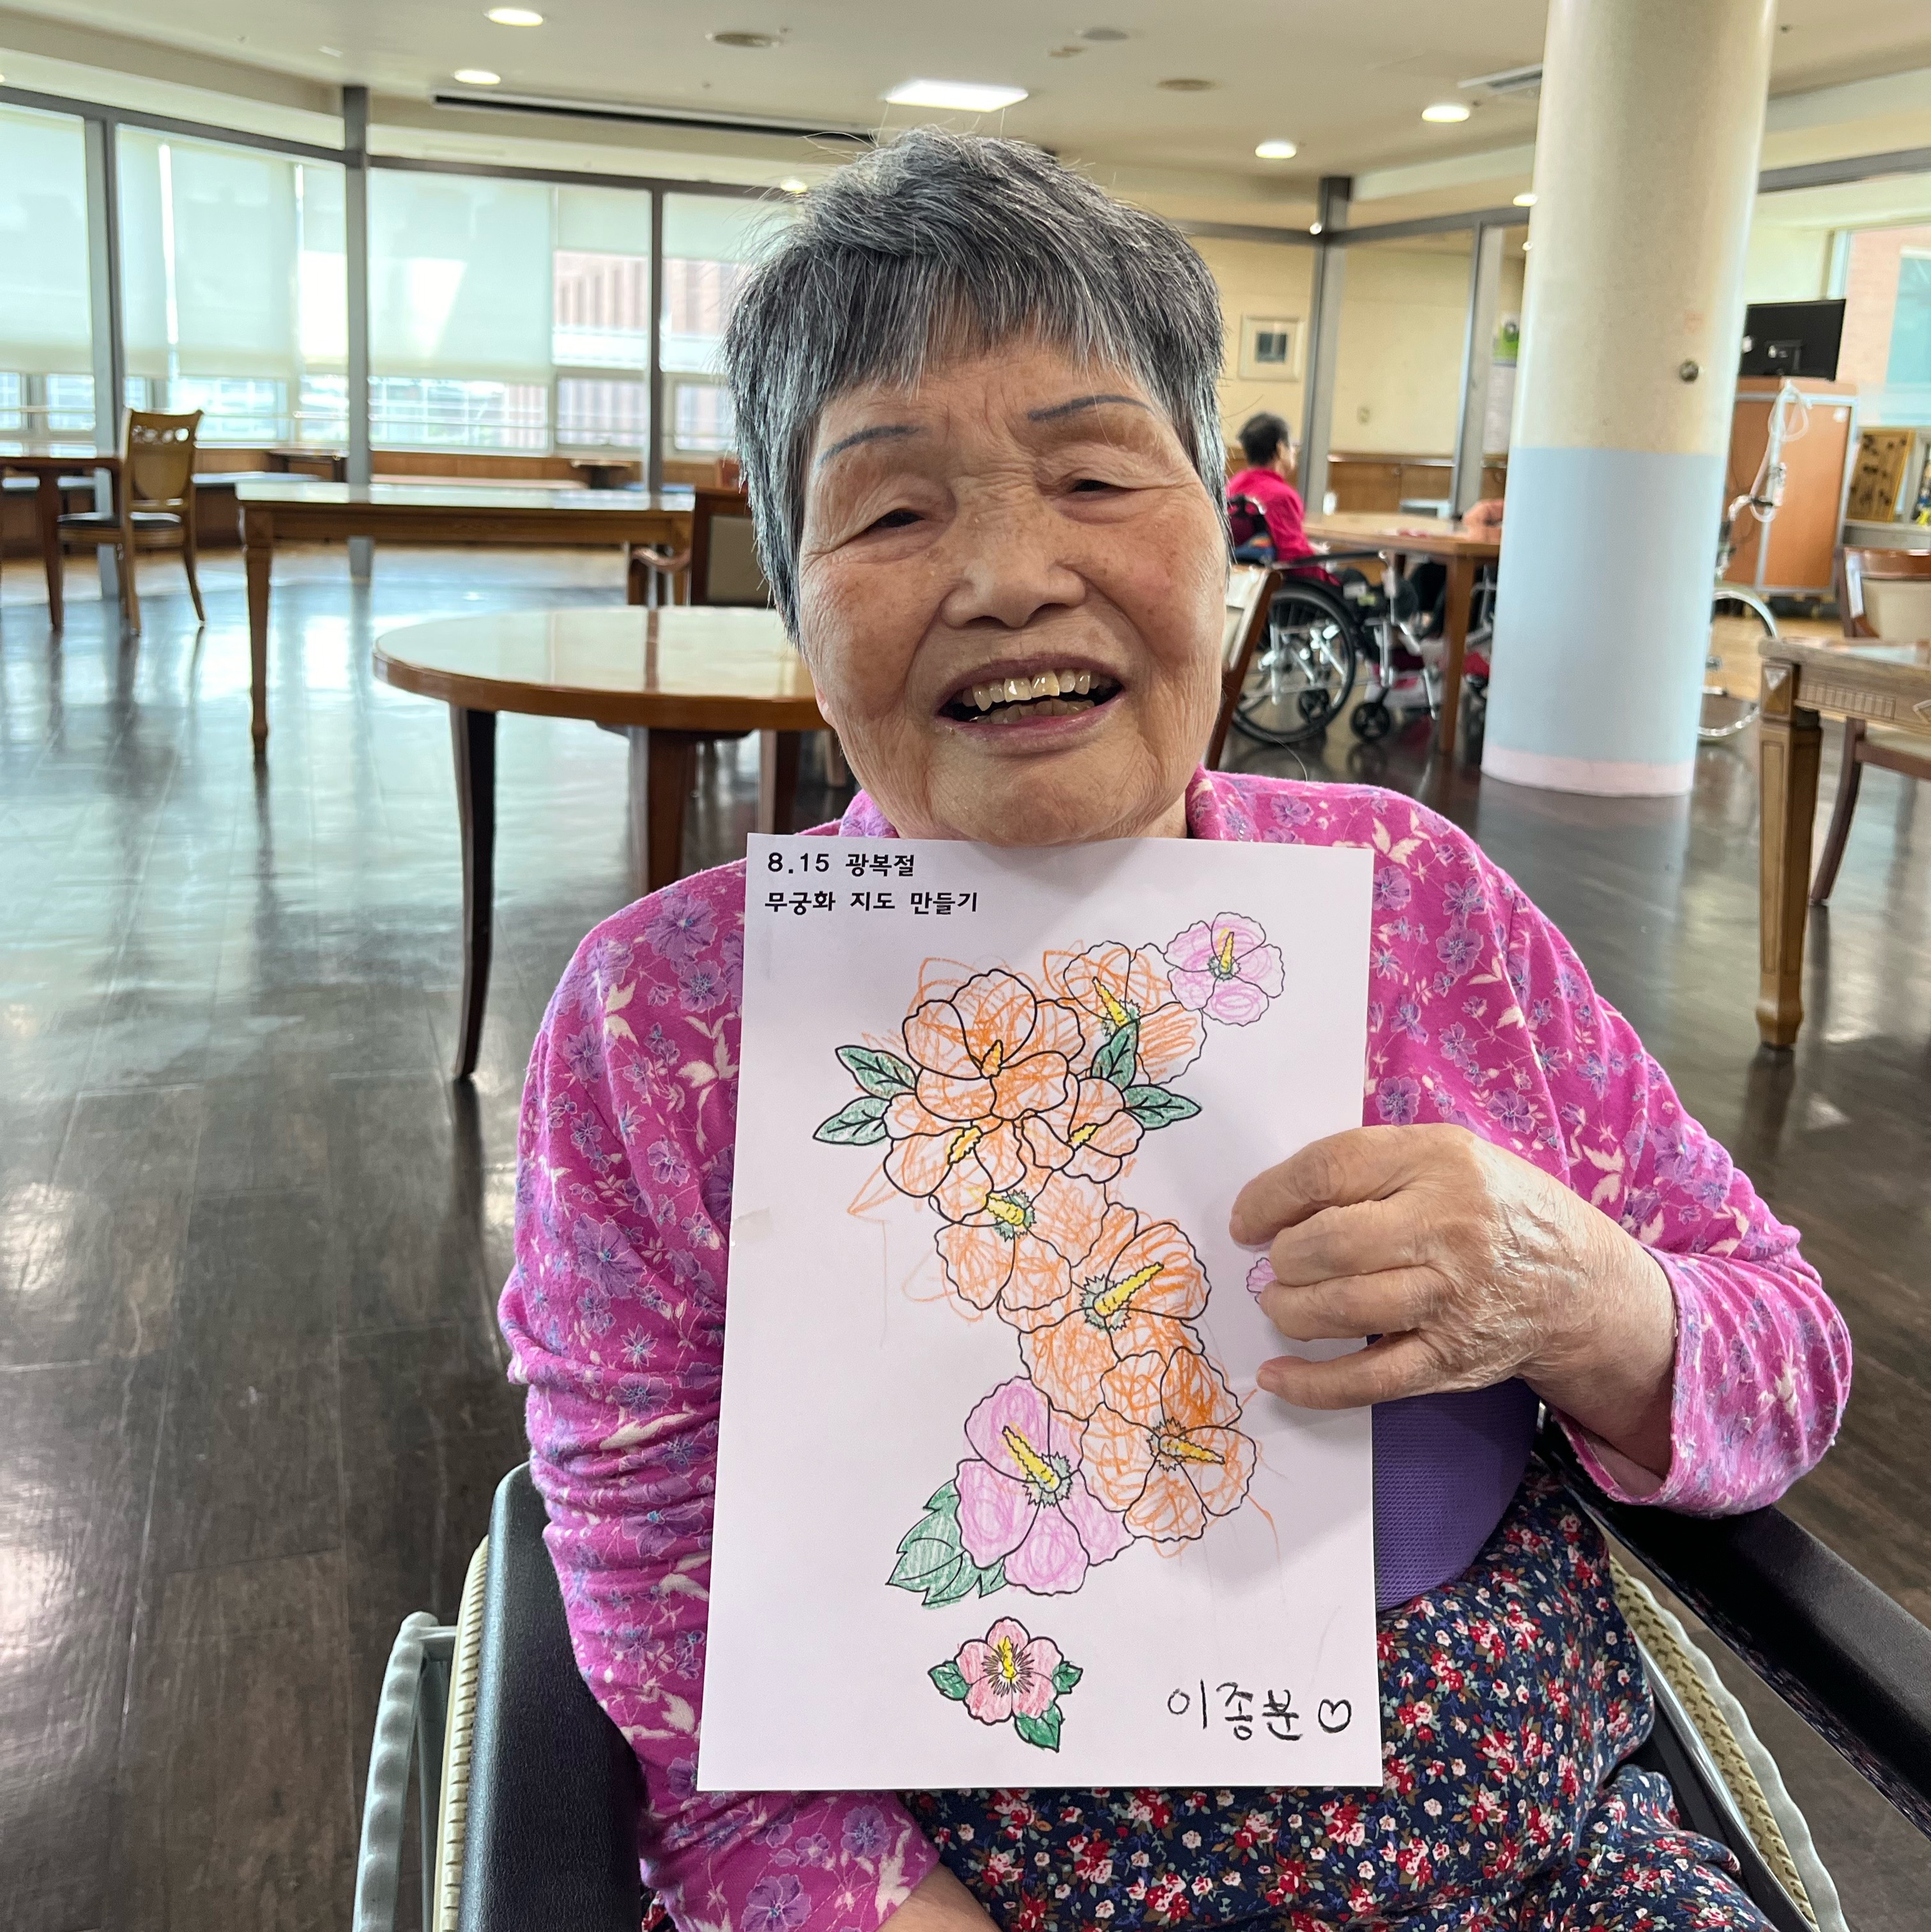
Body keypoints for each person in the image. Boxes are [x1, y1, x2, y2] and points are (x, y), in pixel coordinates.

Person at [500, 130, 1849, 1932]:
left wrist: (1579, 1293)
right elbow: (670, 1638)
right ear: (794, 593)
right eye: (890, 513)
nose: (1006, 574)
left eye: (1090, 475)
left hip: (1548, 1855)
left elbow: (1783, 1360)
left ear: (1218, 531)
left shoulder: (1412, 904)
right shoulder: (664, 1028)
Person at [1226, 410, 1314, 562]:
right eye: (1292, 446)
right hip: (1277, 575)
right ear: (1280, 449)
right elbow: (1293, 557)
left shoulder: (1231, 487)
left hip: (1238, 572)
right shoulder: (1282, 496)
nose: (1294, 451)